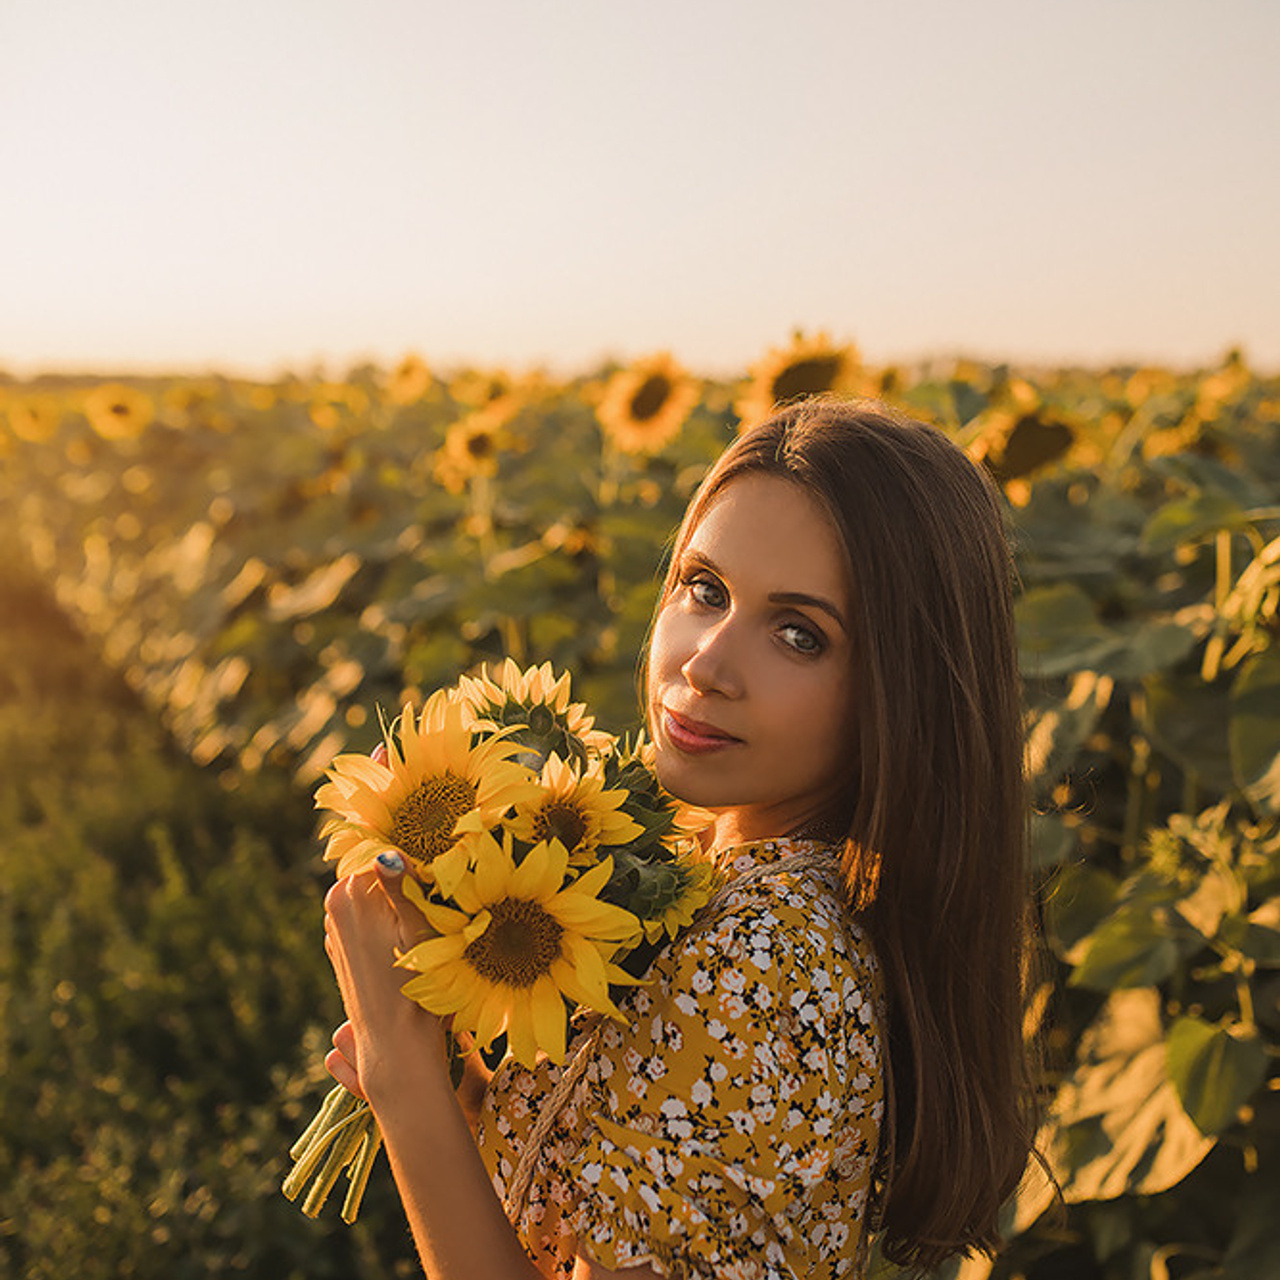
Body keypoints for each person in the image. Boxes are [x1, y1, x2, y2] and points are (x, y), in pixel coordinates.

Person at [323, 396, 1039, 1279]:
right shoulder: (717, 876)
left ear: (902, 688)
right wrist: (462, 1084)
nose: (705, 664)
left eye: (797, 634)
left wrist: (402, 1080)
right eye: (705, 590)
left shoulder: (761, 959)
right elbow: (591, 1198)